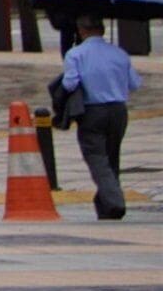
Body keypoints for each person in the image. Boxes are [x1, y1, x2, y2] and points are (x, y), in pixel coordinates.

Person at [58, 23, 137, 221]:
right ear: (102, 30)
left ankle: (115, 200)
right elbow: (134, 84)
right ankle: (105, 204)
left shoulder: (75, 54)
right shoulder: (120, 54)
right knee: (112, 156)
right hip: (118, 110)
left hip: (92, 110)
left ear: (81, 31)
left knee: (96, 157)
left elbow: (70, 83)